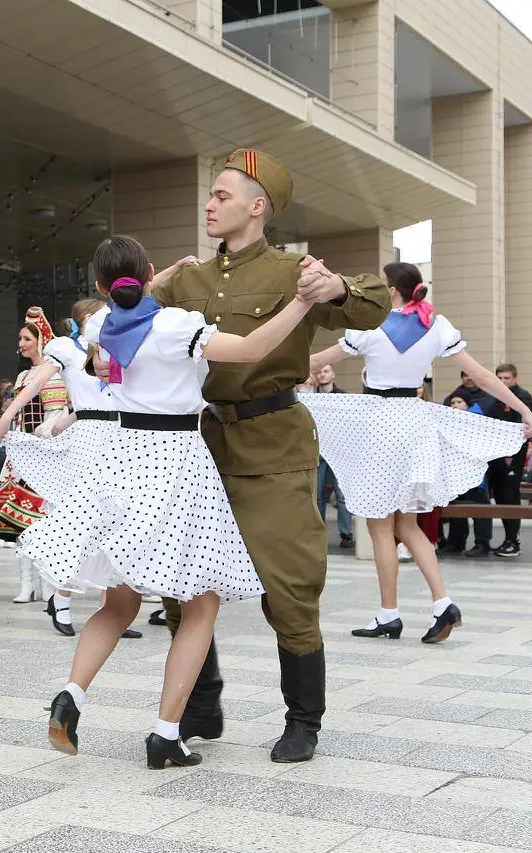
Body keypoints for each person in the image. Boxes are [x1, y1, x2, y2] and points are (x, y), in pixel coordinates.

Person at [31, 235, 317, 767]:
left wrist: (156, 279)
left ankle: (71, 694)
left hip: (121, 458)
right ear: (151, 272)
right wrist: (301, 302)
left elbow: (123, 300)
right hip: (177, 458)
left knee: (117, 603)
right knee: (200, 604)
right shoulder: (177, 327)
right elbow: (253, 349)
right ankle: (165, 734)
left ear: (100, 287)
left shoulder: (99, 326)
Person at [149, 148, 391, 763]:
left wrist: (336, 285)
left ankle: (303, 719)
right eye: (210, 194)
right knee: (182, 581)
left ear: (258, 208)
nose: (209, 203)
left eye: (222, 195)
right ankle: (201, 705)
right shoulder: (186, 280)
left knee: (288, 582)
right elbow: (113, 323)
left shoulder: (294, 271)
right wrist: (147, 288)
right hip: (196, 447)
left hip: (275, 442)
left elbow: (375, 305)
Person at [307, 262, 530, 643]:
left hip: (380, 421)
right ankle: (443, 603)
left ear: (391, 290)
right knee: (407, 525)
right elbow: (482, 375)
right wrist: (525, 410)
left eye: (380, 282)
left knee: (380, 527)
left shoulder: (369, 327)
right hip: (414, 422)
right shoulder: (436, 326)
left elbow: (315, 362)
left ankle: (388, 615)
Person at [0, 298, 115, 636]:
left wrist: (66, 420)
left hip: (117, 435)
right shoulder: (68, 350)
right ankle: (60, 599)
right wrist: (7, 415)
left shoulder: (111, 352)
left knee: (114, 522)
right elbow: (36, 385)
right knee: (84, 521)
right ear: (89, 319)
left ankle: (112, 610)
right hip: (89, 439)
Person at [0, 308, 70, 602]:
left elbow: (55, 415)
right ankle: (26, 583)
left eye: (26, 338)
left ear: (40, 339)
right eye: (20, 338)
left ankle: (47, 583)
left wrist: (38, 437)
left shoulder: (53, 372)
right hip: (20, 454)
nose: (21, 343)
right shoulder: (24, 374)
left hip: (43, 456)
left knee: (43, 520)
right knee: (19, 520)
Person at [479, 363, 532, 557]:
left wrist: (511, 453)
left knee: (510, 497)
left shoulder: (522, 398)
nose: (502, 382)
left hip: (513, 456)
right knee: (500, 497)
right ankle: (507, 540)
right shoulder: (494, 397)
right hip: (495, 456)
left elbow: (521, 428)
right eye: (499, 378)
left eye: (506, 378)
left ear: (515, 378)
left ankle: (513, 541)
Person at [442, 394, 494, 557]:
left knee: (480, 509)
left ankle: (482, 543)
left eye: (459, 402)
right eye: (452, 403)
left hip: (476, 475)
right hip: (455, 474)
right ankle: (456, 542)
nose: (455, 405)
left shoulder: (477, 422)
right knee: (457, 508)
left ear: (468, 405)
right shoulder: (447, 424)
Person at [311, 365, 353, 548]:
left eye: (326, 371)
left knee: (342, 495)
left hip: (340, 451)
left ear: (333, 374)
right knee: (317, 495)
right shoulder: (312, 397)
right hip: (318, 451)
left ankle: (346, 533)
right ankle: (319, 534)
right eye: (319, 372)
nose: (322, 374)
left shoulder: (344, 397)